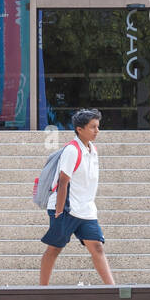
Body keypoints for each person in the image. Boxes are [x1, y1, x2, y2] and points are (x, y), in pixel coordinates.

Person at [39, 108, 114, 285]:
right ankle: (42, 289)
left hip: (86, 209)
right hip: (66, 208)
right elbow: (63, 182)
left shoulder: (93, 149)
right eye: (92, 127)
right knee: (55, 249)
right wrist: (58, 211)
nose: (97, 131)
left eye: (97, 126)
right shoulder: (72, 150)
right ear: (79, 129)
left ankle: (112, 289)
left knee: (97, 247)